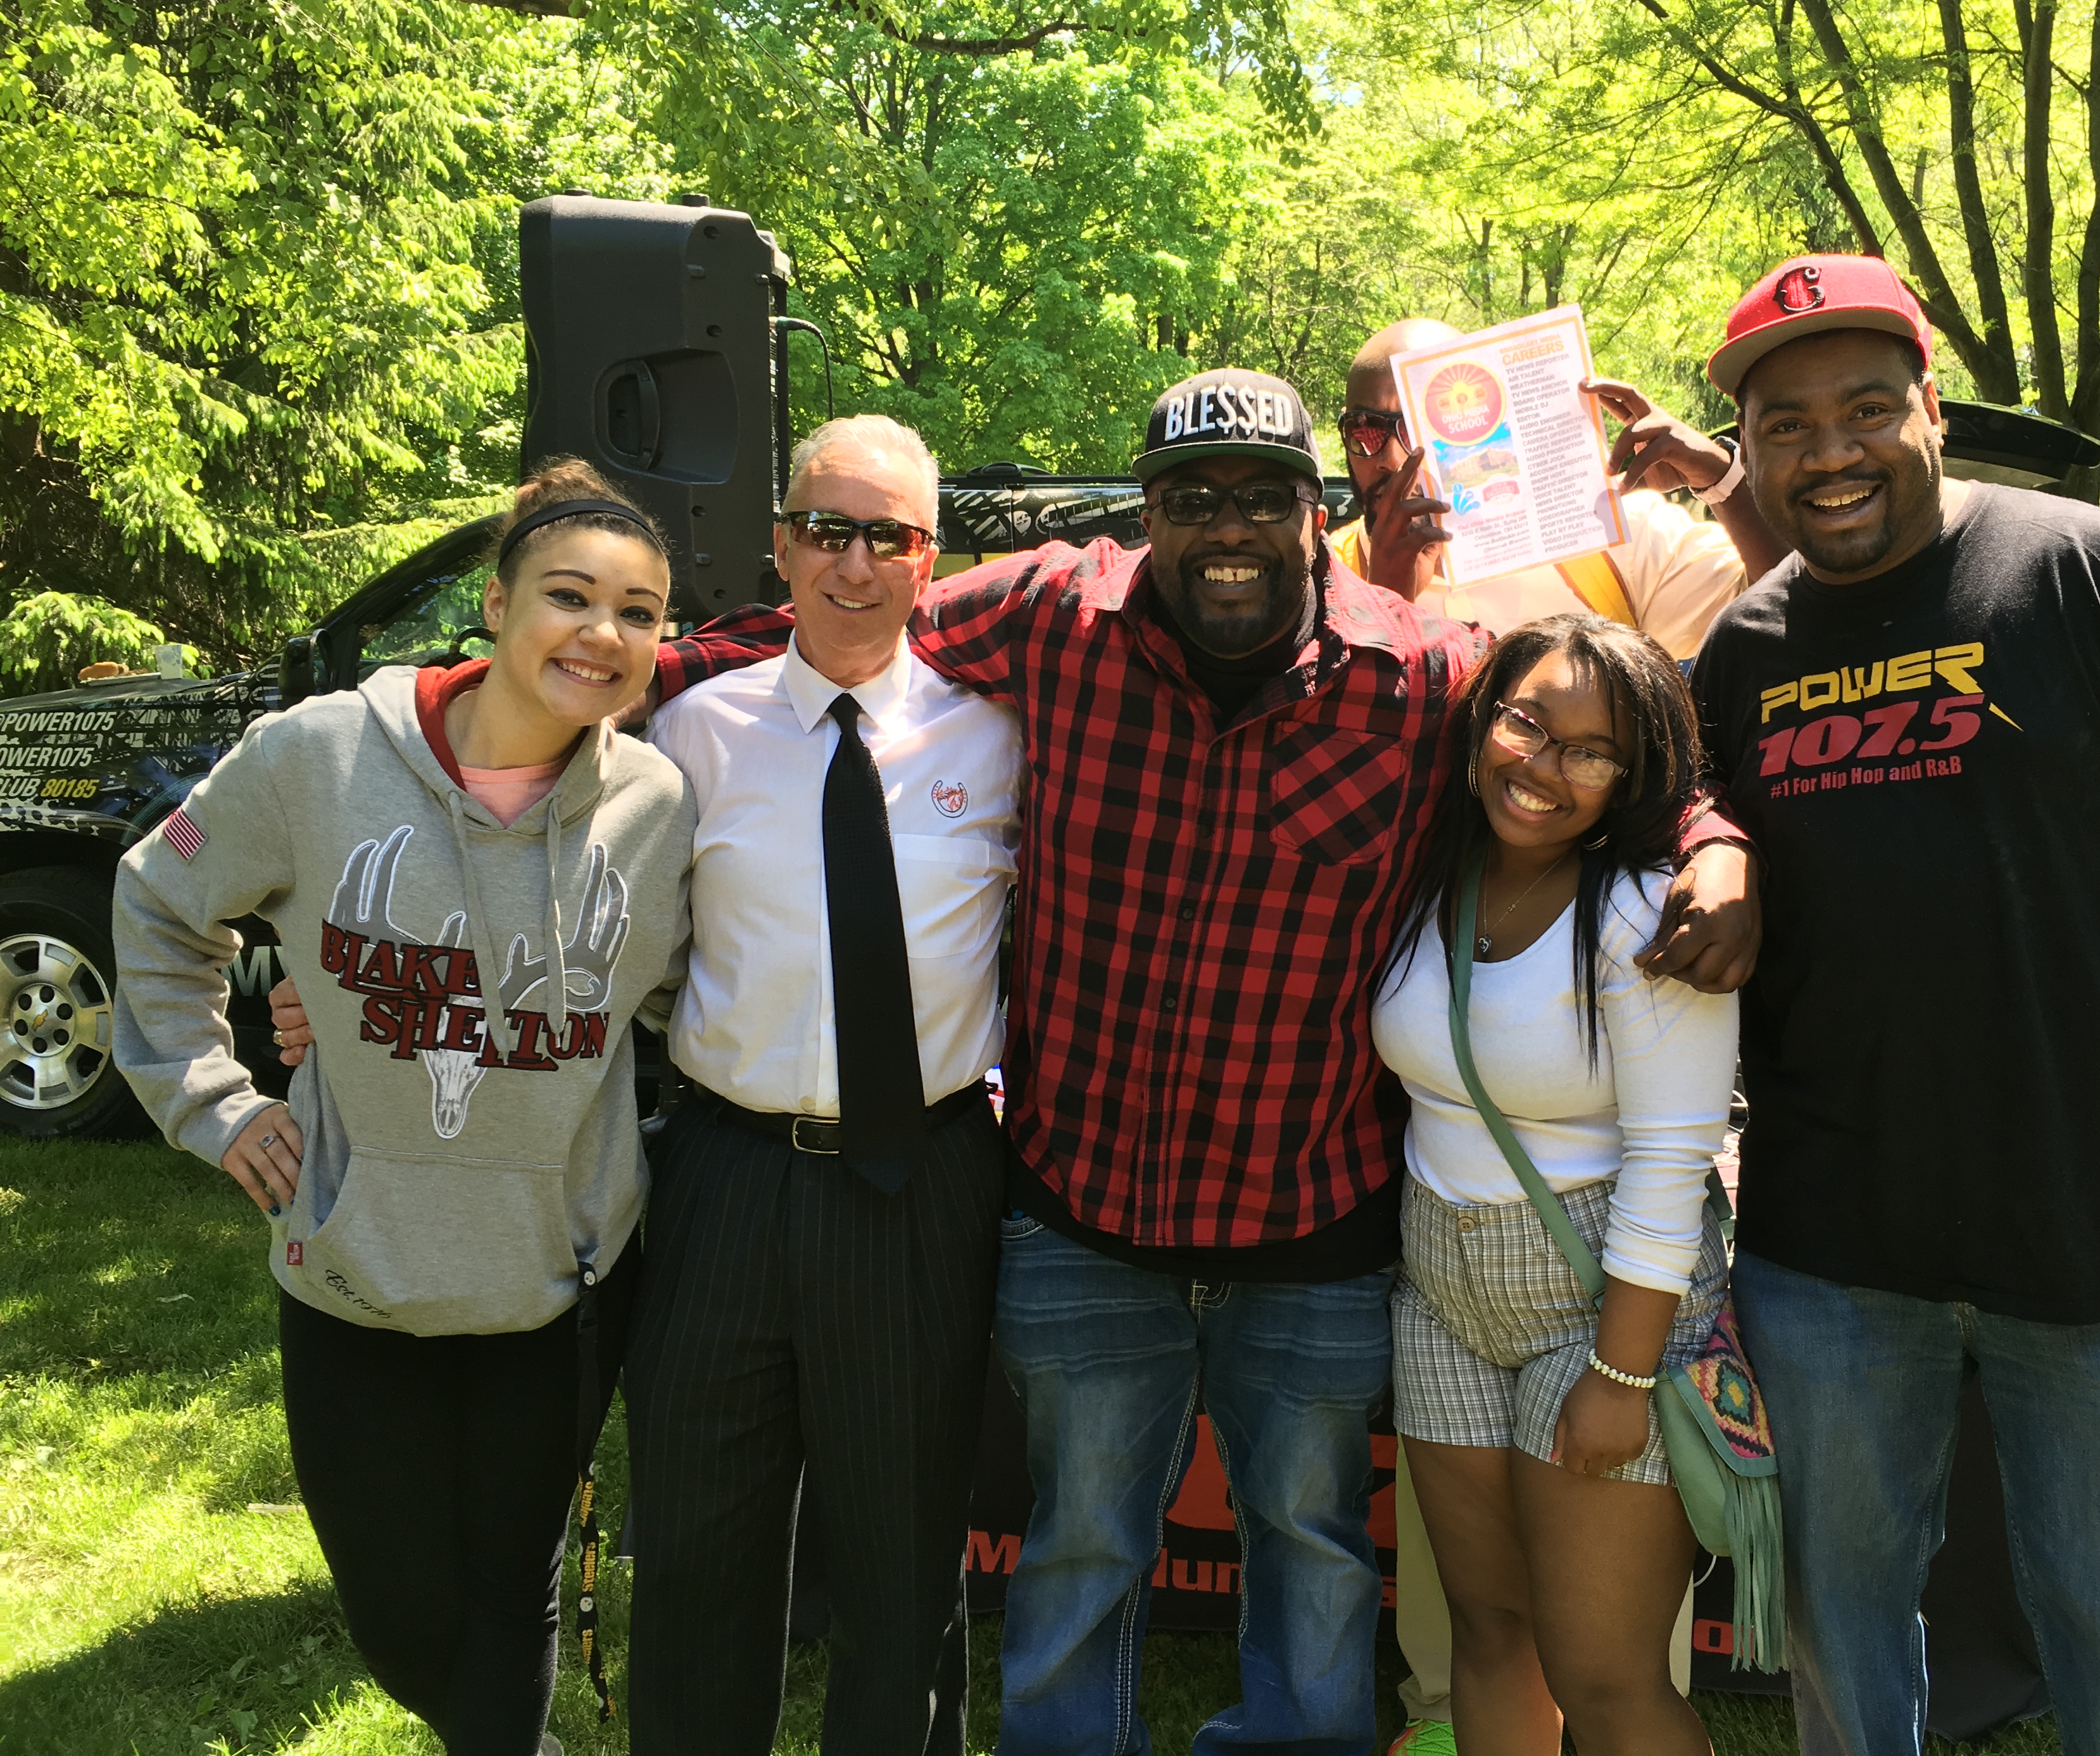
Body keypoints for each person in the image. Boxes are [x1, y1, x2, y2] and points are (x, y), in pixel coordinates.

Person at [648, 367, 1761, 1755]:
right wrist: (538, 673)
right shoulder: (1056, 616)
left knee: (1308, 1549)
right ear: (1148, 512)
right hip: (1082, 1211)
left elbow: (1598, 732)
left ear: (1317, 513)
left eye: (1262, 496)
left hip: (1309, 1221)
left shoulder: (1421, 675)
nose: (1225, 526)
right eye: (1189, 499)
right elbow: (832, 616)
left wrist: (1712, 839)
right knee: (1078, 1550)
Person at [1687, 255, 2100, 1755]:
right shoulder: (1744, 652)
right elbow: (1704, 852)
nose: (1830, 451)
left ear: (1930, 406)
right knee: (1840, 1651)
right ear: (1748, 452)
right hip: (1832, 1256)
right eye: (1784, 424)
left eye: (1867, 407)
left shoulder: (2097, 573)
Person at [112, 461, 696, 1756]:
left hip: (559, 1284)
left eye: (641, 612)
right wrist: (214, 1098)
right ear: (493, 607)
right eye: (569, 596)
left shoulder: (658, 811)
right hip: (357, 1270)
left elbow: (681, 998)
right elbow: (162, 904)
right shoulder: (317, 758)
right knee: (400, 1619)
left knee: (515, 1596)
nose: (602, 634)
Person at [1329, 319, 1778, 1752]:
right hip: (1439, 1256)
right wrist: (1395, 575)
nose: (1393, 443)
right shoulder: (1342, 570)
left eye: (1420, 409)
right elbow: (1353, 752)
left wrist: (1735, 488)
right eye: (1366, 419)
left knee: (1611, 1663)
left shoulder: (1628, 529)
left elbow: (1773, 663)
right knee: (1480, 1644)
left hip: (1601, 1265)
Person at [622, 415, 1021, 1756]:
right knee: (696, 1546)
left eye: (889, 536)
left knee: (905, 1565)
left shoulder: (1002, 740)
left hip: (919, 1180)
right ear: (783, 544)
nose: (854, 562)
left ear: (931, 561)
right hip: (722, 1176)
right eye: (827, 529)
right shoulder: (688, 732)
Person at [1374, 614, 1739, 1756]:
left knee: (1605, 1674)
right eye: (1527, 721)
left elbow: (1672, 1157)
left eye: (1592, 751)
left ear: (1632, 779)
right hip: (1439, 1281)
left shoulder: (1644, 912)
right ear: (1485, 717)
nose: (1542, 765)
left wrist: (1622, 1370)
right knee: (1487, 1631)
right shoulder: (1426, 869)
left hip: (1602, 1291)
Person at [1329, 317, 1790, 653]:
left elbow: (1788, 611)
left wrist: (1720, 476)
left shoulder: (1611, 534)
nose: (1391, 458)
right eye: (1365, 432)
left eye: (1418, 426)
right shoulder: (1324, 573)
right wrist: (1385, 607)